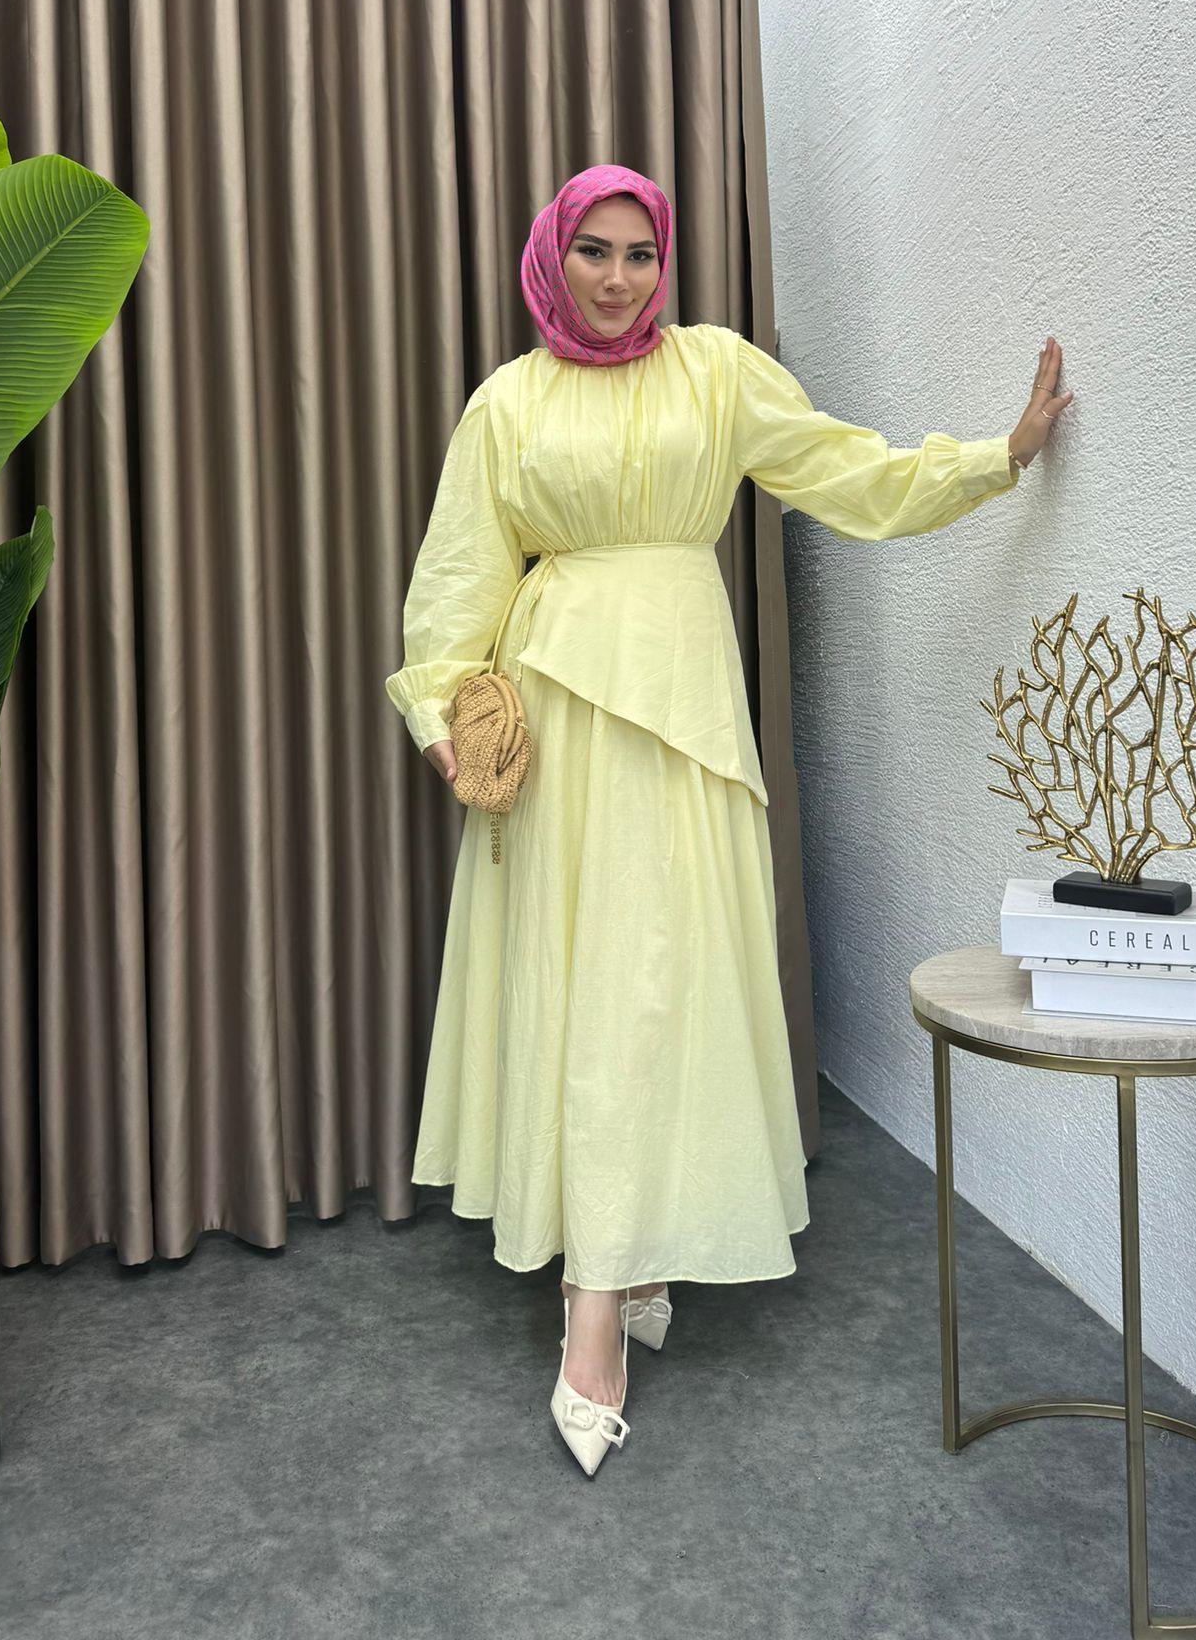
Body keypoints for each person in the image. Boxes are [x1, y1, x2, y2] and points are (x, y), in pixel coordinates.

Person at [385, 161, 1073, 1474]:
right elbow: (458, 573)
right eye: (595, 250)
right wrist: (440, 712)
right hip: (558, 717)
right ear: (553, 258)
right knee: (592, 986)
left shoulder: (716, 372)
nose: (619, 277)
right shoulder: (507, 402)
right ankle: (601, 1296)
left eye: (642, 252)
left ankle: (625, 1264)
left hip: (687, 712)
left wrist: (998, 458)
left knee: (666, 984)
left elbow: (845, 472)